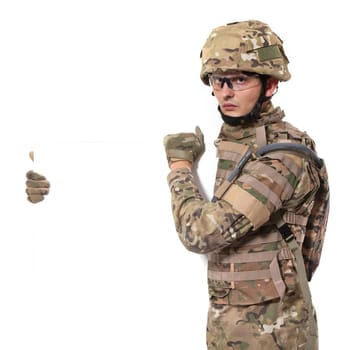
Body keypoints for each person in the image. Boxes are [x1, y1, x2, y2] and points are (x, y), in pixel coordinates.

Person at [163, 20, 329, 349]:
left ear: (270, 85)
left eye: (239, 79)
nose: (225, 91)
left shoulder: (283, 158)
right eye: (217, 79)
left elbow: (201, 232)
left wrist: (180, 168)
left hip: (275, 334)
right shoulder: (234, 142)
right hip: (228, 328)